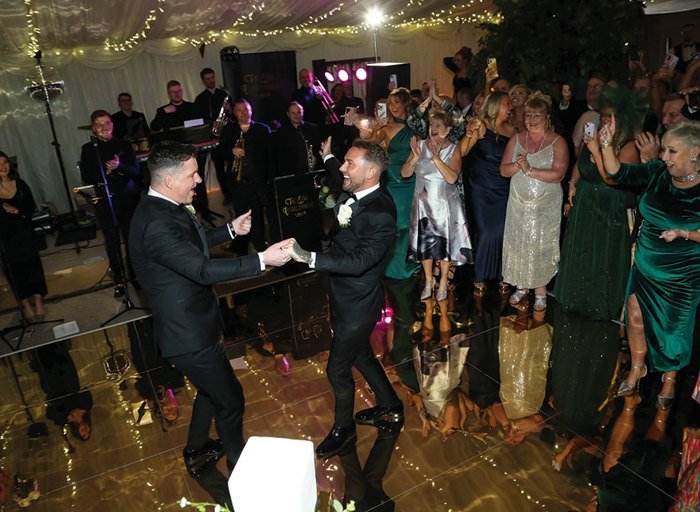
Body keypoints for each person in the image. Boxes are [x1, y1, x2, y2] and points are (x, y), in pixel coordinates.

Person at [128, 141, 290, 474]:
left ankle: (197, 449)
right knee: (231, 402)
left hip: (198, 327)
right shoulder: (156, 223)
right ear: (169, 180)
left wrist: (230, 230)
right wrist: (261, 259)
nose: (199, 181)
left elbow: (189, 244)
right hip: (187, 336)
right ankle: (241, 469)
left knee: (208, 391)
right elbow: (200, 269)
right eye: (193, 175)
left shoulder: (162, 206)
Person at [284, 138, 404, 460]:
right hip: (341, 295)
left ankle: (344, 430)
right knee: (362, 355)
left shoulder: (381, 213)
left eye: (350, 163)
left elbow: (359, 262)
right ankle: (391, 406)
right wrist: (328, 156)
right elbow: (338, 176)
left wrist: (308, 257)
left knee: (337, 370)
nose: (343, 169)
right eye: (345, 161)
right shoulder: (357, 187)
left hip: (359, 305)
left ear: (373, 171)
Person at [598, 119, 700, 411]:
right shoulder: (657, 172)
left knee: (673, 331)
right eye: (664, 150)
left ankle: (670, 378)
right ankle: (637, 367)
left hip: (682, 275)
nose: (663, 157)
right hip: (644, 265)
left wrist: (685, 233)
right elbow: (618, 172)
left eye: (671, 151)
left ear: (694, 152)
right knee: (635, 316)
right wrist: (606, 143)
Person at [554, 85, 644, 320]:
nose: (604, 119)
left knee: (601, 256)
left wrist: (599, 148)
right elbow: (579, 163)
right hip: (585, 202)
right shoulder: (592, 135)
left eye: (609, 115)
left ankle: (599, 304)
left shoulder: (629, 146)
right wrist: (572, 183)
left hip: (610, 208)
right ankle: (577, 299)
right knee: (581, 251)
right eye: (603, 114)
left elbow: (613, 179)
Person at [500, 93, 569, 311]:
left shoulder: (558, 142)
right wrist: (519, 167)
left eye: (537, 115)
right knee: (519, 241)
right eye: (528, 115)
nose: (531, 119)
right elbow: (503, 170)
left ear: (547, 117)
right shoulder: (516, 139)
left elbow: (558, 174)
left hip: (545, 203)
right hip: (518, 202)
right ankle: (522, 287)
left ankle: (540, 290)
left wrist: (530, 170)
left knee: (540, 244)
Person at [403, 111, 472, 303]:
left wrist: (437, 159)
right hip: (422, 203)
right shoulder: (419, 145)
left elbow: (452, 177)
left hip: (445, 204)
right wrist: (415, 159)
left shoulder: (454, 149)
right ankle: (428, 281)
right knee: (425, 244)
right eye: (431, 125)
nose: (433, 129)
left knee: (445, 245)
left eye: (438, 126)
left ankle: (442, 282)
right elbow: (405, 173)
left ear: (448, 130)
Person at [459, 92, 516, 297]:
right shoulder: (481, 125)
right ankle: (480, 276)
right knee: (485, 232)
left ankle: (503, 275)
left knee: (503, 231)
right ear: (495, 105)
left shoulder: (514, 130)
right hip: (482, 188)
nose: (510, 106)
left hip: (505, 188)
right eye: (506, 103)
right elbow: (463, 152)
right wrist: (468, 133)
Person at [79, 110, 142, 291]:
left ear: (112, 124)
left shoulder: (123, 144)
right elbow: (87, 176)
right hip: (105, 202)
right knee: (112, 241)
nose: (104, 128)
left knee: (131, 240)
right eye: (99, 125)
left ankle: (135, 274)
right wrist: (105, 173)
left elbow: (136, 171)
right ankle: (119, 279)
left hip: (127, 200)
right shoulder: (89, 149)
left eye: (107, 123)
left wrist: (119, 166)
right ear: (93, 128)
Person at [371, 87, 420, 281]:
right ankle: (393, 266)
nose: (392, 107)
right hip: (393, 181)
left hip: (411, 180)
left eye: (396, 102)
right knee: (396, 224)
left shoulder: (416, 127)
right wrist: (376, 129)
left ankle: (409, 263)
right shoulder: (385, 128)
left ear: (406, 103)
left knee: (409, 224)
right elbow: (372, 149)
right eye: (389, 104)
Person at [216, 99, 271, 252]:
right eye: (239, 110)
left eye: (246, 109)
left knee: (258, 215)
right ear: (234, 113)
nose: (243, 113)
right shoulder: (229, 130)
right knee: (240, 214)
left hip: (257, 181)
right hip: (237, 182)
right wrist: (231, 151)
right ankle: (241, 248)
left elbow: (269, 156)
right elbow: (220, 152)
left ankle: (261, 245)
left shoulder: (262, 129)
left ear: (251, 111)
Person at [0, 151, 47, 321]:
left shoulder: (20, 183)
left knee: (33, 267)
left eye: (5, 162)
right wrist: (6, 213)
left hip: (25, 233)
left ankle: (38, 300)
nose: (3, 166)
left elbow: (31, 208)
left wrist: (16, 211)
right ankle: (26, 304)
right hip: (6, 238)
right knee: (16, 271)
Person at [274, 101, 320, 175]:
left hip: (311, 169)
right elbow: (280, 154)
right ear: (288, 114)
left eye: (299, 112)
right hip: (291, 171)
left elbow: (318, 146)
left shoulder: (312, 128)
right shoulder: (282, 131)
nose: (296, 115)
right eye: (293, 113)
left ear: (303, 113)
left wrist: (316, 157)